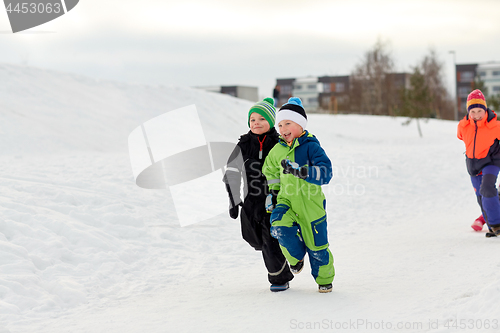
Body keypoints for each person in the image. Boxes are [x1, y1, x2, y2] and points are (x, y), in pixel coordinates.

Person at [263, 97, 335, 292]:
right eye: (280, 124)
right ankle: (296, 258)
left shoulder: (311, 147)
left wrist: (304, 171)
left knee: (317, 246)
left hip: (311, 204)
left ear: (300, 125)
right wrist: (273, 193)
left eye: (288, 123)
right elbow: (270, 171)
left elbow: (326, 172)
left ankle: (324, 279)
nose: (283, 128)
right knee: (278, 226)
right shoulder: (277, 150)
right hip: (287, 201)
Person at [223, 97, 294, 292]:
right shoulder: (243, 145)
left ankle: (279, 278)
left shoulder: (279, 144)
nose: (256, 123)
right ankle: (283, 257)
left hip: (275, 200)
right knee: (253, 238)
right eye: (252, 120)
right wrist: (233, 199)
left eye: (261, 119)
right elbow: (231, 173)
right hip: (251, 201)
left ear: (271, 122)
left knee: (270, 241)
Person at [457, 89, 500, 237]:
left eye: (479, 111)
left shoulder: (494, 126)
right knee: (481, 197)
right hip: (473, 165)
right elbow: (461, 137)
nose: (476, 115)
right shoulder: (463, 126)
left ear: (485, 109)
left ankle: (497, 224)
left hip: (491, 162)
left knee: (488, 188)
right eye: (473, 111)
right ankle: (492, 226)